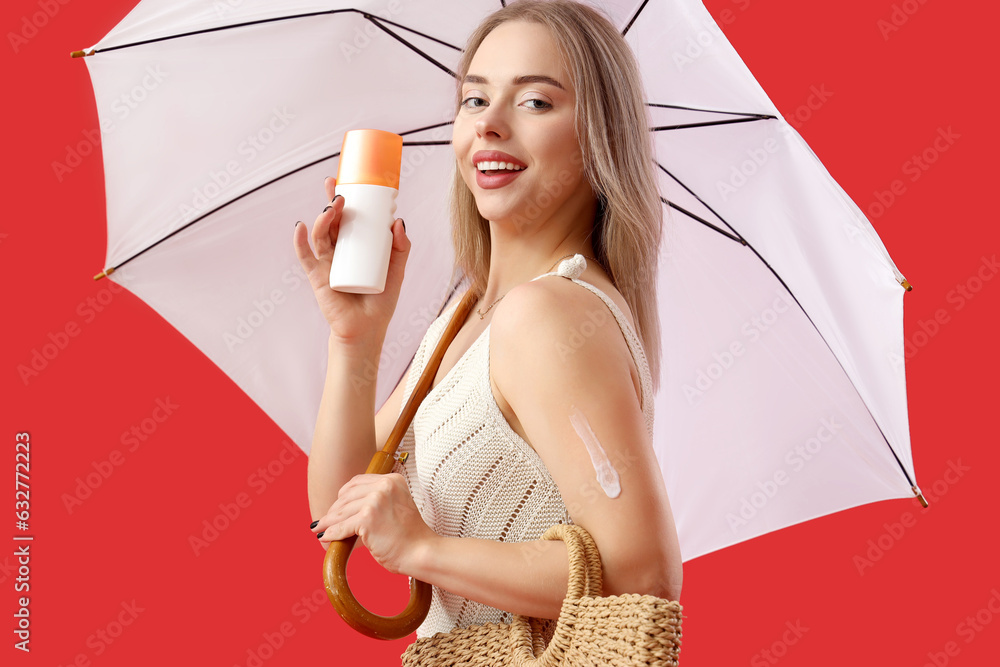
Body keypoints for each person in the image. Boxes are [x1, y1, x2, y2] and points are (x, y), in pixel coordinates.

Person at [292, 0, 682, 642]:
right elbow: (340, 512)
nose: (490, 126)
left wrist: (422, 551)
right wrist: (355, 340)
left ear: (599, 140)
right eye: (475, 101)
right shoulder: (470, 312)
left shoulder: (547, 313)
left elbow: (641, 574)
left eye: (535, 103)